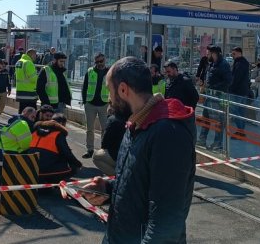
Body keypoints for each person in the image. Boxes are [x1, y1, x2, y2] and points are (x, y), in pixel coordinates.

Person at [78, 57, 195, 242]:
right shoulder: (137, 124)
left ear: (123, 89)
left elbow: (166, 221)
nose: (108, 98)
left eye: (109, 90)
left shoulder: (167, 133)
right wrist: (108, 190)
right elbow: (140, 185)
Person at [29, 113, 83, 184]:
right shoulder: (58, 134)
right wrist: (78, 164)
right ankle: (54, 182)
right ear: (61, 123)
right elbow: (67, 153)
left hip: (30, 168)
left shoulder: (36, 130)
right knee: (73, 166)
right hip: (45, 171)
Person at [197, 46, 232, 151]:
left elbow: (228, 81)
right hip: (209, 95)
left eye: (209, 54)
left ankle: (218, 144)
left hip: (218, 96)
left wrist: (214, 88)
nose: (207, 56)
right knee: (206, 118)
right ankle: (202, 140)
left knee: (218, 121)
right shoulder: (212, 64)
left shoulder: (224, 65)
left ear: (214, 53)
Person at [0, 106, 36, 172]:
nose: (33, 120)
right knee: (31, 151)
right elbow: (26, 145)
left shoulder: (14, 122)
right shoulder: (22, 124)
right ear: (25, 114)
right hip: (7, 157)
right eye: (32, 117)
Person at [81, 53, 110, 159]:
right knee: (89, 129)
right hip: (90, 104)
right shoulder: (90, 71)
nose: (99, 64)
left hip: (104, 104)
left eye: (101, 61)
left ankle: (104, 149)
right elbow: (84, 86)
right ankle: (89, 149)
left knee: (105, 129)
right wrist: (85, 101)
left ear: (105, 60)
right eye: (97, 62)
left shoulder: (109, 72)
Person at [93, 105, 131, 176]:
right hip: (130, 155)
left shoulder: (112, 119)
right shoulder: (132, 118)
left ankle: (117, 176)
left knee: (96, 156)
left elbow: (104, 142)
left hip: (117, 154)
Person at [228, 47, 251, 134]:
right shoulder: (244, 63)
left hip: (237, 91)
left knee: (235, 111)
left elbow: (235, 78)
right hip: (243, 91)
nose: (232, 56)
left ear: (239, 53)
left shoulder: (239, 63)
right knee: (241, 112)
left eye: (233, 54)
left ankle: (240, 130)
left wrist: (230, 88)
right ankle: (241, 130)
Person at [15, 48, 39, 112]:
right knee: (32, 113)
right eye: (35, 55)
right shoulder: (28, 63)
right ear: (31, 54)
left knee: (22, 111)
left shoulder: (19, 62)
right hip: (29, 93)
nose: (36, 57)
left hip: (20, 92)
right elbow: (34, 79)